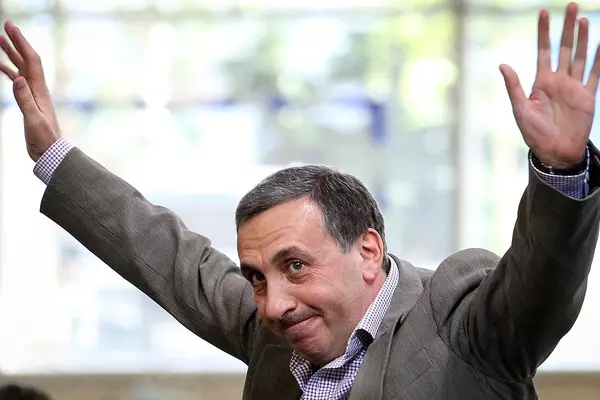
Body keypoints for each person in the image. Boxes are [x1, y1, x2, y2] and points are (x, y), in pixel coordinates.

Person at [0, 2, 599, 399]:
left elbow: (541, 284)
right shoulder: (272, 328)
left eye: (295, 266)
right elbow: (165, 252)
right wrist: (53, 153)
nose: (273, 303)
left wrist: (561, 169)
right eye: (257, 278)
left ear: (368, 252)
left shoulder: (458, 318)